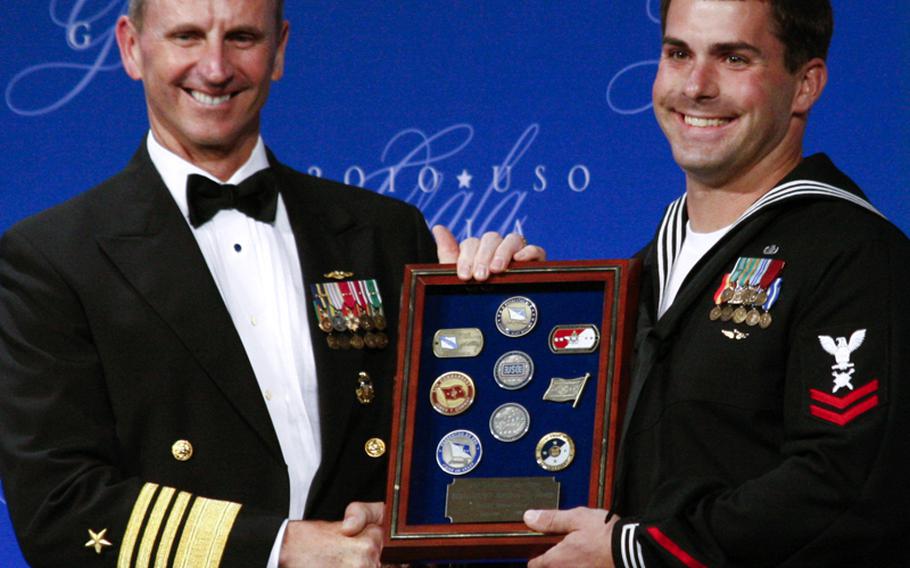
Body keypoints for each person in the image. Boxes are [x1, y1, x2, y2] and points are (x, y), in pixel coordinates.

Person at [0, 1, 544, 567]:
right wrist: (279, 548)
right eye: (187, 37)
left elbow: (457, 445)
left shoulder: (383, 232)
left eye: (241, 37)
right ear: (132, 47)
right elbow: (59, 507)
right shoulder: (53, 258)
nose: (215, 68)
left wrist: (509, 311)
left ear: (279, 49)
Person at [524, 0, 910, 566]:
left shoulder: (854, 257)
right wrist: (505, 305)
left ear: (805, 85)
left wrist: (638, 552)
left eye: (734, 58)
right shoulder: (642, 271)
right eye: (678, 53)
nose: (696, 86)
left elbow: (846, 488)